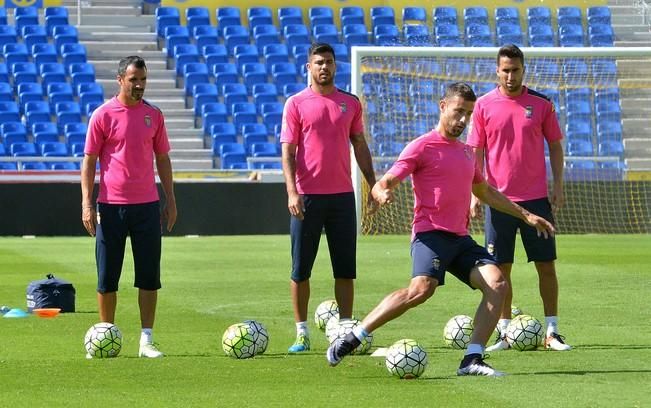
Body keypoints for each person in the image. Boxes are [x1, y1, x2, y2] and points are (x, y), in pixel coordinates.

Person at [326, 83, 556, 376]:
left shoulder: (466, 153)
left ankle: (472, 358)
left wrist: (526, 215)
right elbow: (386, 181)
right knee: (421, 290)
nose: (463, 120)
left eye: (468, 114)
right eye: (458, 111)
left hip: (459, 239)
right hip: (430, 235)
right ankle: (354, 337)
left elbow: (485, 191)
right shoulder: (422, 146)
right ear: (442, 106)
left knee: (497, 284)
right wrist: (381, 192)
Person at [467, 44, 571, 352]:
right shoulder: (484, 105)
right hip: (497, 201)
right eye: (505, 70)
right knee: (501, 269)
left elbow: (555, 145)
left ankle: (552, 330)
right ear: (497, 71)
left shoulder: (541, 104)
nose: (510, 75)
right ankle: (504, 332)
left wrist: (559, 184)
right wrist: (473, 194)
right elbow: (476, 151)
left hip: (537, 200)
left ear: (524, 70)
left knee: (546, 265)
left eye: (515, 70)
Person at [280, 43, 377, 353]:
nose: (325, 67)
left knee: (345, 269)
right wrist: (292, 191)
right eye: (319, 62)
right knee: (300, 268)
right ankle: (302, 333)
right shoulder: (296, 103)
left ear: (336, 66)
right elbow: (288, 151)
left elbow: (360, 144)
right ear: (309, 67)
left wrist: (372, 183)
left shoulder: (350, 103)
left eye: (329, 62)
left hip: (342, 198)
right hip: (307, 198)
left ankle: (346, 330)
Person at [81, 55, 177, 358]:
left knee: (149, 276)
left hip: (147, 206)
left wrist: (170, 199)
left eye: (143, 80)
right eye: (134, 79)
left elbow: (162, 158)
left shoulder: (154, 115)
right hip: (110, 207)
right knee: (107, 277)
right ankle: (104, 336)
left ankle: (146, 340)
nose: (139, 85)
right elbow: (89, 160)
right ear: (120, 79)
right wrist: (86, 203)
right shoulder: (103, 115)